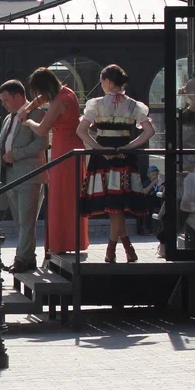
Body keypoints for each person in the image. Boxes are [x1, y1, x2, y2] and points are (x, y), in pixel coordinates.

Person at [77, 64, 155, 263]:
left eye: (102, 81)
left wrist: (98, 148)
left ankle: (113, 250)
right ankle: (126, 248)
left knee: (114, 206)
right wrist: (130, 146)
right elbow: (149, 132)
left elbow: (81, 130)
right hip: (124, 156)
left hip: (103, 156)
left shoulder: (96, 104)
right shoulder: (133, 105)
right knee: (116, 206)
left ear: (107, 81)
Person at [0, 80, 47, 273]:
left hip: (29, 174)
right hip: (12, 175)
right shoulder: (8, 119)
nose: (4, 104)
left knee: (26, 220)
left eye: (6, 100)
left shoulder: (37, 113)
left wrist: (17, 154)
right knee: (20, 221)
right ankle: (28, 258)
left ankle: (22, 259)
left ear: (18, 96)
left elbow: (41, 143)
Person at [23, 67, 89, 255]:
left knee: (61, 196)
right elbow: (41, 100)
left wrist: (27, 121)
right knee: (67, 195)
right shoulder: (66, 92)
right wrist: (27, 108)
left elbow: (42, 129)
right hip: (70, 146)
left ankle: (63, 242)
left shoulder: (60, 101)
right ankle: (70, 241)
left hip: (65, 151)